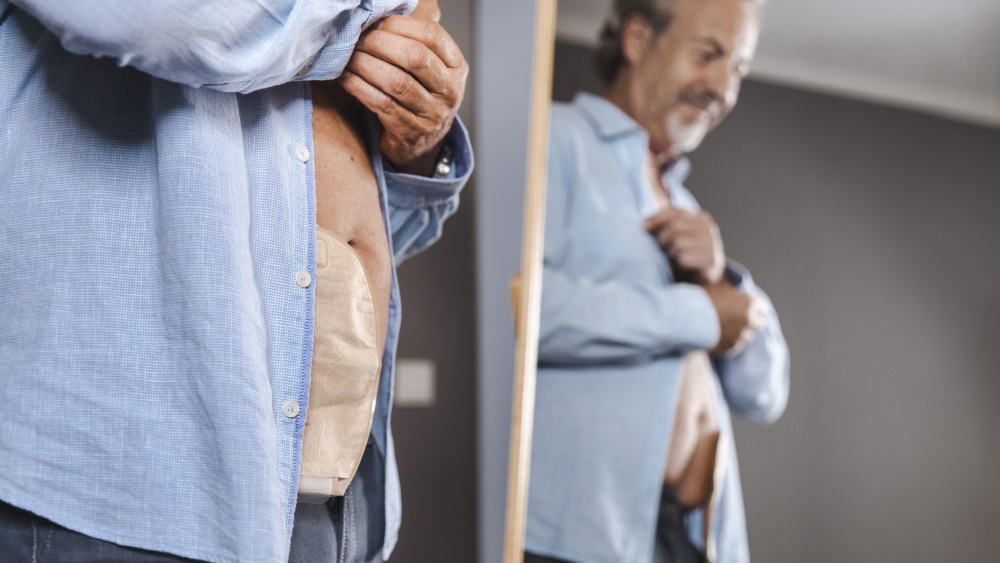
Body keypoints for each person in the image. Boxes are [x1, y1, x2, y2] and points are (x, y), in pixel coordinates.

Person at [0, 0, 471, 561]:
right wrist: (372, 14)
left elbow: (343, 233)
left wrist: (418, 140)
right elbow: (151, 18)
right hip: (128, 490)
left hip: (324, 498)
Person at [525, 0, 788, 561]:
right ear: (639, 39)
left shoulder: (686, 206)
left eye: (737, 68)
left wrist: (720, 280)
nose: (724, 88)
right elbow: (530, 311)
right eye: (708, 54)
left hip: (691, 540)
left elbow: (766, 393)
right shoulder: (556, 138)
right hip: (577, 539)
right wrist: (702, 314)